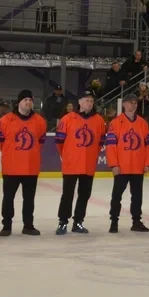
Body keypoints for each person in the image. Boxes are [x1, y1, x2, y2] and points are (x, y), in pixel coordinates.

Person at [54, 89, 107, 235]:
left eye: (91, 101)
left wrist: (92, 155)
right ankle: (63, 222)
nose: (89, 103)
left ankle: (78, 222)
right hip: (71, 164)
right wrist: (67, 156)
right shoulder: (67, 119)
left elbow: (100, 142)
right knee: (67, 195)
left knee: (84, 195)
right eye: (86, 100)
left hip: (88, 164)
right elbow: (59, 141)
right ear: (79, 102)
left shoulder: (99, 120)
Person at [0, 90, 47, 236]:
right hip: (11, 166)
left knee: (29, 199)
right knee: (8, 198)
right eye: (25, 100)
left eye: (30, 100)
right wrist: (11, 152)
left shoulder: (40, 121)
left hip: (31, 166)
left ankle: (28, 225)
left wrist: (30, 153)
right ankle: (6, 226)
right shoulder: (5, 120)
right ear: (19, 102)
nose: (28, 103)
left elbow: (41, 141)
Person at [105, 93, 149, 233]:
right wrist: (114, 164)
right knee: (117, 196)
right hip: (122, 167)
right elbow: (111, 146)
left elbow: (148, 145)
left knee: (137, 196)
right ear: (124, 104)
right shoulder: (115, 123)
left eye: (135, 103)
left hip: (138, 167)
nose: (133, 105)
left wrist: (147, 163)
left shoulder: (143, 123)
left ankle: (136, 221)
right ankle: (114, 221)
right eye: (130, 102)